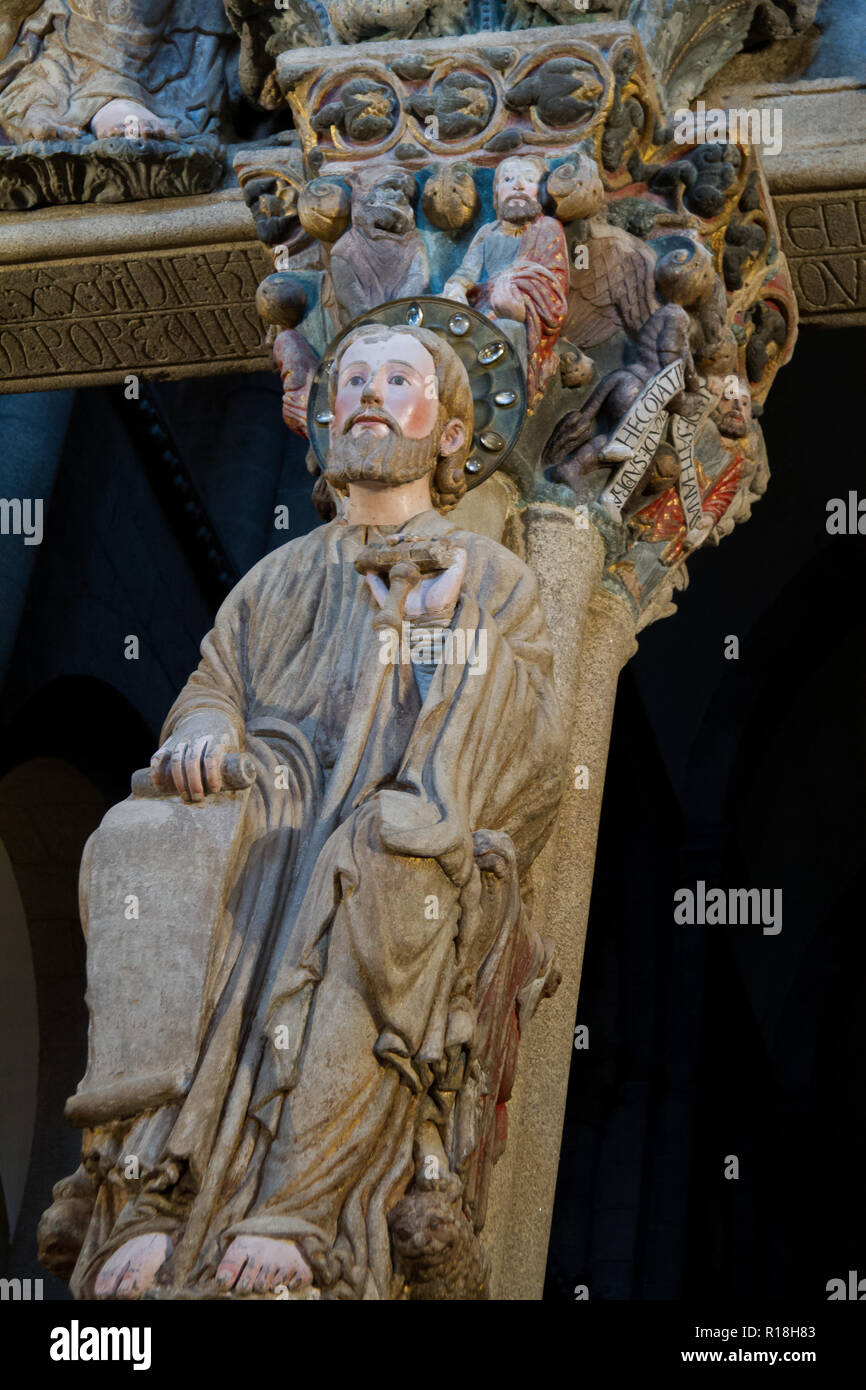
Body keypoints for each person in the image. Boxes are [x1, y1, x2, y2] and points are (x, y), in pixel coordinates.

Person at [44, 322, 564, 1300]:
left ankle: (307, 1202)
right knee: (147, 834)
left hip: (408, 824)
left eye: (396, 378)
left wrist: (451, 638)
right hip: (265, 815)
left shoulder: (492, 577)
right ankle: (148, 1187)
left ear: (452, 434)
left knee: (385, 859)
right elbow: (216, 682)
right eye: (351, 379)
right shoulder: (273, 579)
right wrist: (205, 732)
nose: (366, 392)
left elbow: (531, 754)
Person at [443, 154, 569, 410]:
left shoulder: (547, 228)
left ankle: (508, 405)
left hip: (522, 314)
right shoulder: (487, 232)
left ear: (542, 192)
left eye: (529, 179)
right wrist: (455, 288)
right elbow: (467, 271)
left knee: (508, 330)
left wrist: (521, 300)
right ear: (496, 193)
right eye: (508, 179)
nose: (518, 185)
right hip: (480, 311)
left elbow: (553, 281)